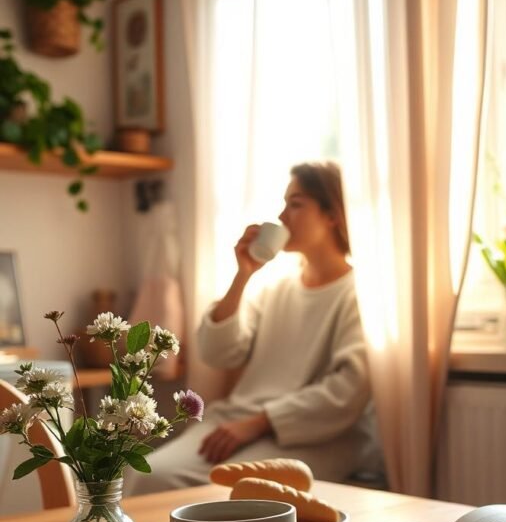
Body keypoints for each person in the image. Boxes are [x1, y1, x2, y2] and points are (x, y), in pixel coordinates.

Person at [126, 160, 376, 495]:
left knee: (226, 493)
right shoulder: (277, 289)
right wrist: (243, 274)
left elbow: (347, 390)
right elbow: (218, 352)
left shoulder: (358, 292)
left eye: (296, 204)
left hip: (318, 435)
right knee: (148, 473)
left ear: (332, 215)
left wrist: (260, 423)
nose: (283, 216)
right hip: (238, 420)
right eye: (284, 203)